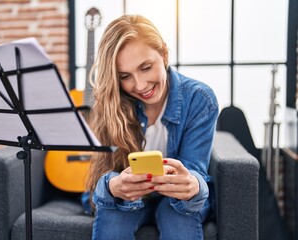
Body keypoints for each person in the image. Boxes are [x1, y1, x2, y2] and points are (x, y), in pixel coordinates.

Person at [85, 14, 219, 240]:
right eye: (125, 76)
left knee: (177, 215)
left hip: (177, 203)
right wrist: (114, 186)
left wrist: (192, 185)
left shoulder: (199, 99)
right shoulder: (112, 101)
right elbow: (100, 180)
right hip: (131, 199)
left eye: (146, 67)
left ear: (164, 55)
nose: (139, 85)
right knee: (113, 213)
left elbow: (196, 174)